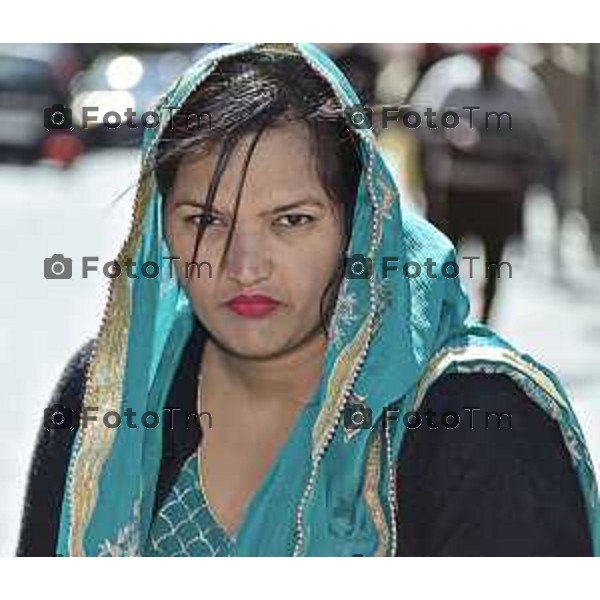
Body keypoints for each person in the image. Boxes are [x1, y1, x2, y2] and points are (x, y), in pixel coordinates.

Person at [17, 43, 599, 557]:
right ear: (158, 224)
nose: (243, 266)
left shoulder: (478, 428)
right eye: (205, 220)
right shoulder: (107, 396)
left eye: (292, 220)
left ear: (360, 225)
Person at [411, 43, 562, 322]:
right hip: (456, 189)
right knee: (445, 259)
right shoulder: (449, 79)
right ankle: (442, 319)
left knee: (494, 263)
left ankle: (486, 321)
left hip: (499, 192)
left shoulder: (522, 86)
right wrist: (449, 135)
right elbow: (420, 121)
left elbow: (543, 136)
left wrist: (515, 152)